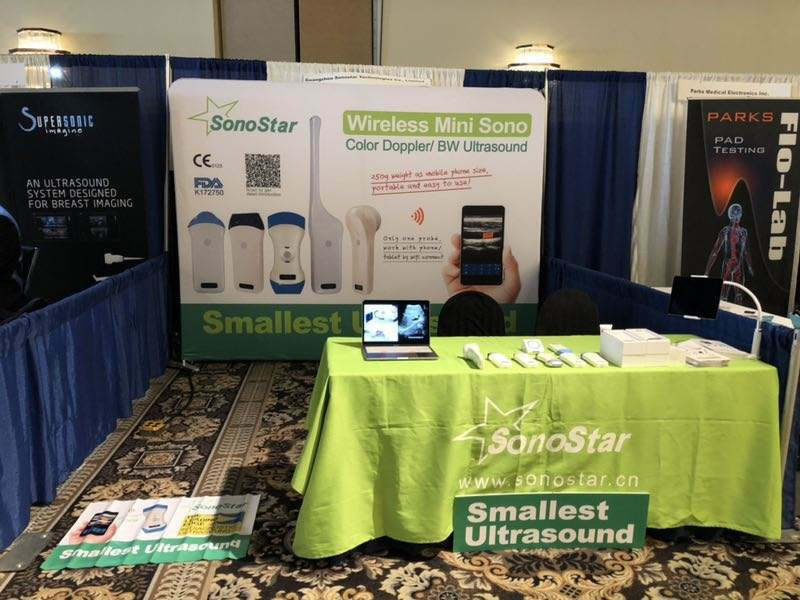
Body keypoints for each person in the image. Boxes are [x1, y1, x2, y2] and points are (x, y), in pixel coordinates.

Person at [704, 203, 754, 305]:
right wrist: (707, 271)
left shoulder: (743, 232)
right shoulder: (725, 231)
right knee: (723, 296)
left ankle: (737, 313)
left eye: (738, 213)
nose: (736, 216)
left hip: (738, 267)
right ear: (730, 215)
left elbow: (746, 251)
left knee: (739, 295)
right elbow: (715, 251)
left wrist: (749, 266)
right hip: (728, 265)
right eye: (734, 214)